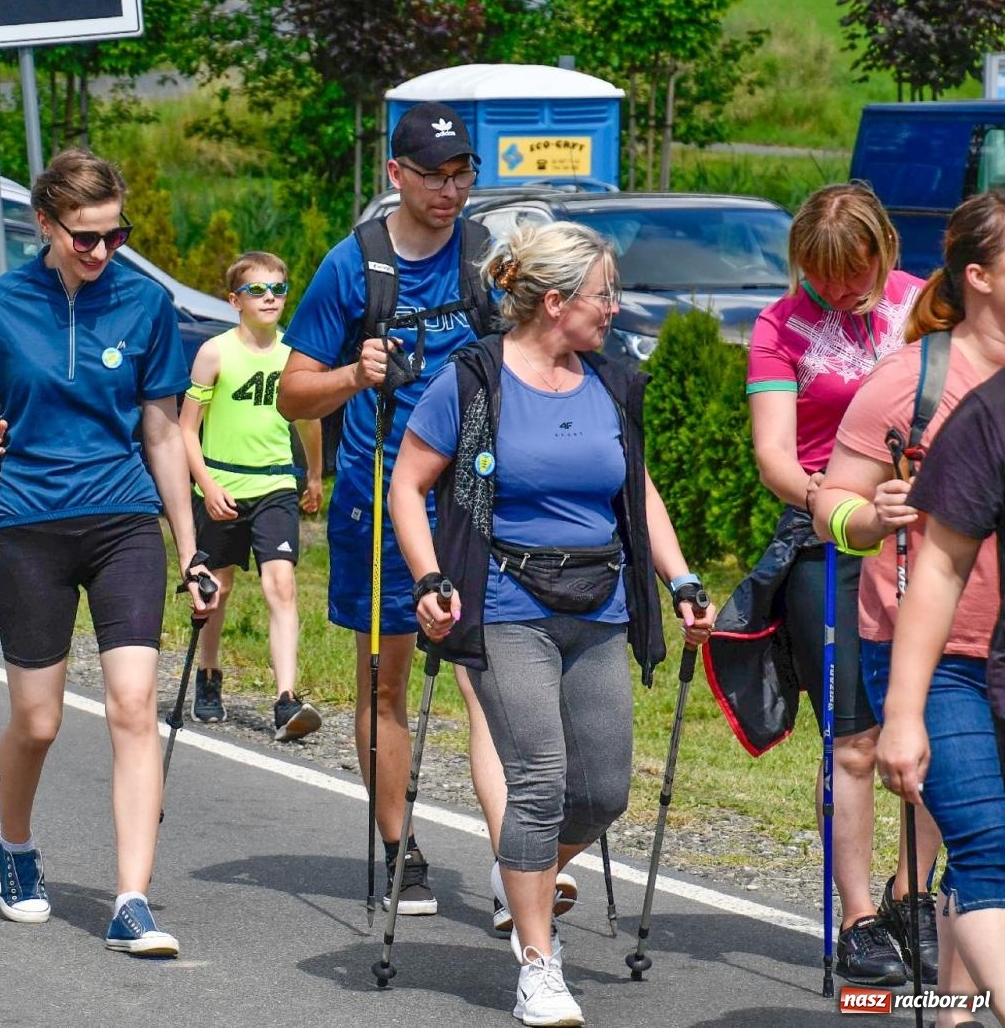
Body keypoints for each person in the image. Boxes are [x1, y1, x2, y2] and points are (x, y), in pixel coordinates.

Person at [390, 220, 713, 1026]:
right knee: (537, 780)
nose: (616, 308)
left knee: (602, 791)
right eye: (606, 293)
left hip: (600, 603)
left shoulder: (610, 382)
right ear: (557, 301)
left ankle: (520, 869)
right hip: (505, 602)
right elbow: (409, 484)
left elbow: (635, 493)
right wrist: (429, 577)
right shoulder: (474, 381)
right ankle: (538, 962)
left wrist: (681, 578)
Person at [0, 148, 217, 958]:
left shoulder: (145, 303)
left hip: (123, 521)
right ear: (46, 224)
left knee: (133, 705)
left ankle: (132, 899)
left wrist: (192, 548)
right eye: (86, 238)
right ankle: (17, 848)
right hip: (31, 521)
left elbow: (163, 432)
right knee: (39, 719)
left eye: (115, 235)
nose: (102, 252)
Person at [279, 100, 506, 918]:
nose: (450, 192)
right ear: (396, 176)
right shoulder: (356, 267)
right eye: (434, 177)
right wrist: (355, 375)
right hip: (376, 499)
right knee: (387, 684)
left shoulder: (487, 258)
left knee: (491, 681)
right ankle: (398, 842)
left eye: (461, 175)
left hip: (472, 498)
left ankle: (512, 863)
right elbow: (291, 392)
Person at [745, 182, 937, 985]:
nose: (843, 290)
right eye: (824, 275)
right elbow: (775, 457)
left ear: (884, 250)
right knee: (855, 739)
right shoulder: (779, 327)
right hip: (830, 541)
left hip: (927, 537)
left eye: (856, 271)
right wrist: (839, 502)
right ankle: (859, 914)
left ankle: (910, 893)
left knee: (929, 729)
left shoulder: (924, 303)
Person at [869, 190, 1005, 1019]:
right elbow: (940, 569)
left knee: (982, 862)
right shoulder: (944, 394)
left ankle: (951, 1012)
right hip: (947, 658)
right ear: (980, 277)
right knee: (990, 852)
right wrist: (900, 712)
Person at [180, 250, 324, 740]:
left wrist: (315, 476)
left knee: (280, 586)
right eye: (257, 290)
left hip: (275, 485)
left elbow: (309, 419)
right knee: (216, 589)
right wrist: (206, 483)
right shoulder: (215, 352)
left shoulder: (294, 357)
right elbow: (185, 429)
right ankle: (209, 673)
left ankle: (286, 699)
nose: (270, 298)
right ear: (234, 300)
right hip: (222, 484)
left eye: (278, 289)